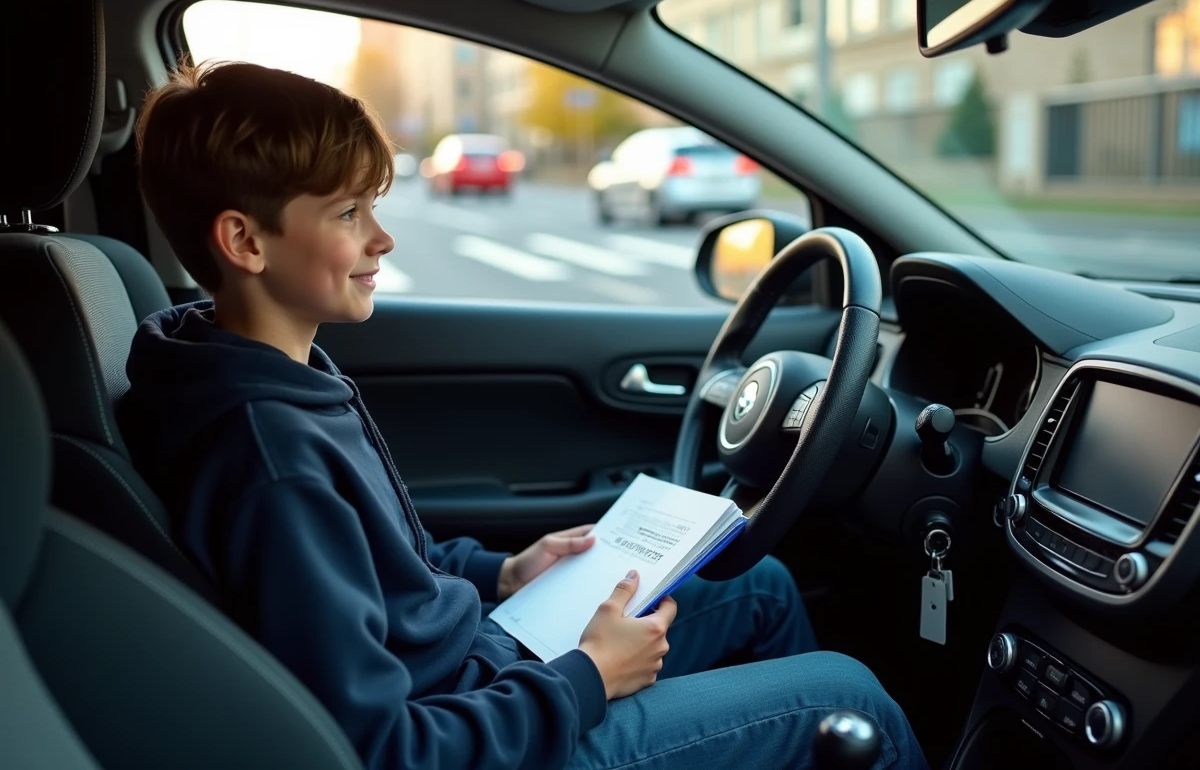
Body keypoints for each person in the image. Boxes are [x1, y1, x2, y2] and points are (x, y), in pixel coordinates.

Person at [118, 60, 928, 770]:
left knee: (758, 584)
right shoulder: (270, 459)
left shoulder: (275, 375)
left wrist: (503, 573)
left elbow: (389, 572)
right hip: (494, 729)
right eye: (347, 214)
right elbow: (377, 748)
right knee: (855, 702)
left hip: (485, 669)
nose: (384, 238)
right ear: (245, 242)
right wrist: (587, 679)